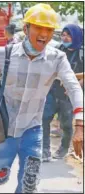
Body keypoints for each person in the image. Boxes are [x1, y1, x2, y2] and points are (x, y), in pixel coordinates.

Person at [0, 4, 84, 193]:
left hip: (32, 128)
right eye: (38, 28)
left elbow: (74, 88)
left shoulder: (57, 58)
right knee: (0, 177)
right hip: (2, 129)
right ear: (25, 29)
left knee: (29, 183)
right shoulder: (4, 54)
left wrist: (80, 124)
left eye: (49, 29)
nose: (44, 34)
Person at [42, 24, 84, 162]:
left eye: (68, 35)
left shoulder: (82, 53)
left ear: (76, 36)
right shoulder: (59, 50)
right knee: (44, 118)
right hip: (53, 91)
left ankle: (64, 148)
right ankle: (45, 149)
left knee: (66, 124)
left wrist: (74, 81)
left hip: (70, 95)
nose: (65, 38)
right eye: (63, 35)